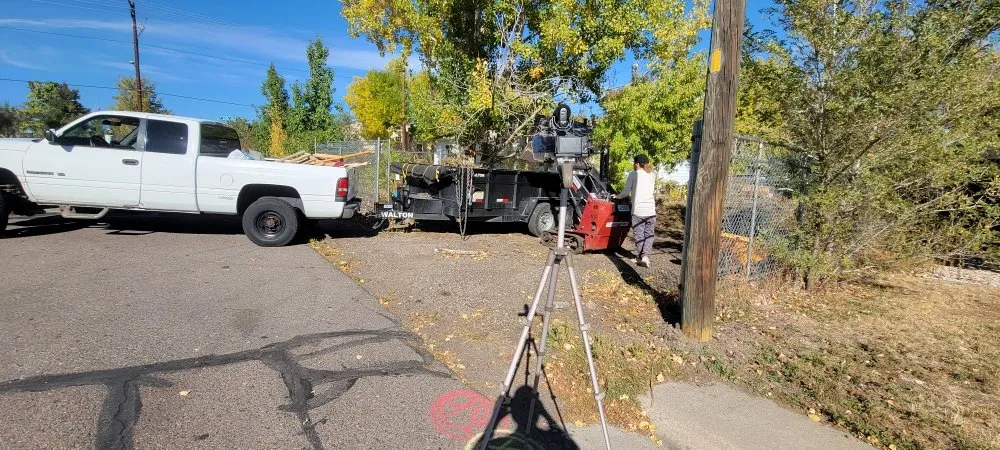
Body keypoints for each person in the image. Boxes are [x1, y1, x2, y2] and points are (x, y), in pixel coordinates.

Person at [616, 154, 657, 267]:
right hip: (651, 211)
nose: (633, 165)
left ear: (637, 164)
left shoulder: (633, 174)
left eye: (634, 163)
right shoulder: (653, 174)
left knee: (639, 235)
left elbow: (625, 193)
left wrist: (616, 196)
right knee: (649, 234)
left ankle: (641, 257)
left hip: (638, 211)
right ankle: (645, 257)